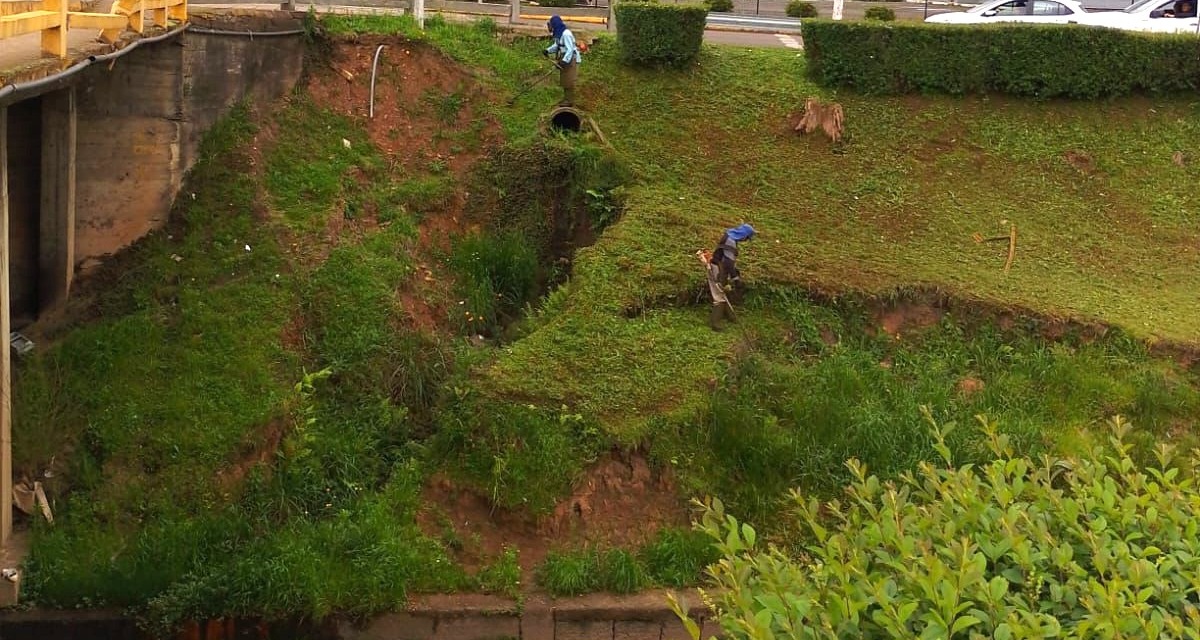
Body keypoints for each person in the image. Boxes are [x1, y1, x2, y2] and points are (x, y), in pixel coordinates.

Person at [706, 223, 755, 331]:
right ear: (743, 235)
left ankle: (731, 316)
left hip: (721, 268)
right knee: (719, 295)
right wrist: (735, 279)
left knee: (723, 293)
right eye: (746, 238)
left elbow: (729, 262)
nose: (745, 240)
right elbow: (728, 263)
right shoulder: (730, 241)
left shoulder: (729, 236)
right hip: (717, 270)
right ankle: (715, 323)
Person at [543, 15, 581, 107]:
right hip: (564, 57)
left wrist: (564, 61)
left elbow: (570, 49)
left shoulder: (566, 34)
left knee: (569, 80)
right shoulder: (558, 34)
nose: (550, 27)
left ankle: (569, 101)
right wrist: (547, 50)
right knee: (564, 80)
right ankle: (566, 99)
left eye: (551, 25)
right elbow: (557, 46)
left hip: (570, 58)